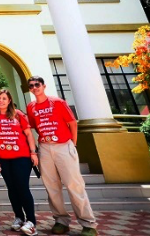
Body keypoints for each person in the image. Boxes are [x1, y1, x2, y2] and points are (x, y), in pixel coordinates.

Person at [25, 76, 98, 236]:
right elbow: (35, 126)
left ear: (44, 86)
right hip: (45, 147)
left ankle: (88, 223)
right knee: (51, 186)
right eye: (31, 86)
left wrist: (72, 143)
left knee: (74, 184)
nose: (34, 87)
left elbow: (72, 123)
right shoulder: (31, 107)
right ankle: (61, 220)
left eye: (37, 84)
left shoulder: (57, 102)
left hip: (64, 145)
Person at [0, 89, 39, 235]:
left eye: (4, 98)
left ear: (9, 101)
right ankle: (19, 217)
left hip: (21, 157)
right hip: (3, 158)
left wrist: (33, 152)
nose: (1, 101)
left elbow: (29, 135)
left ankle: (31, 222)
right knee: (12, 188)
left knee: (22, 187)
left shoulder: (18, 114)